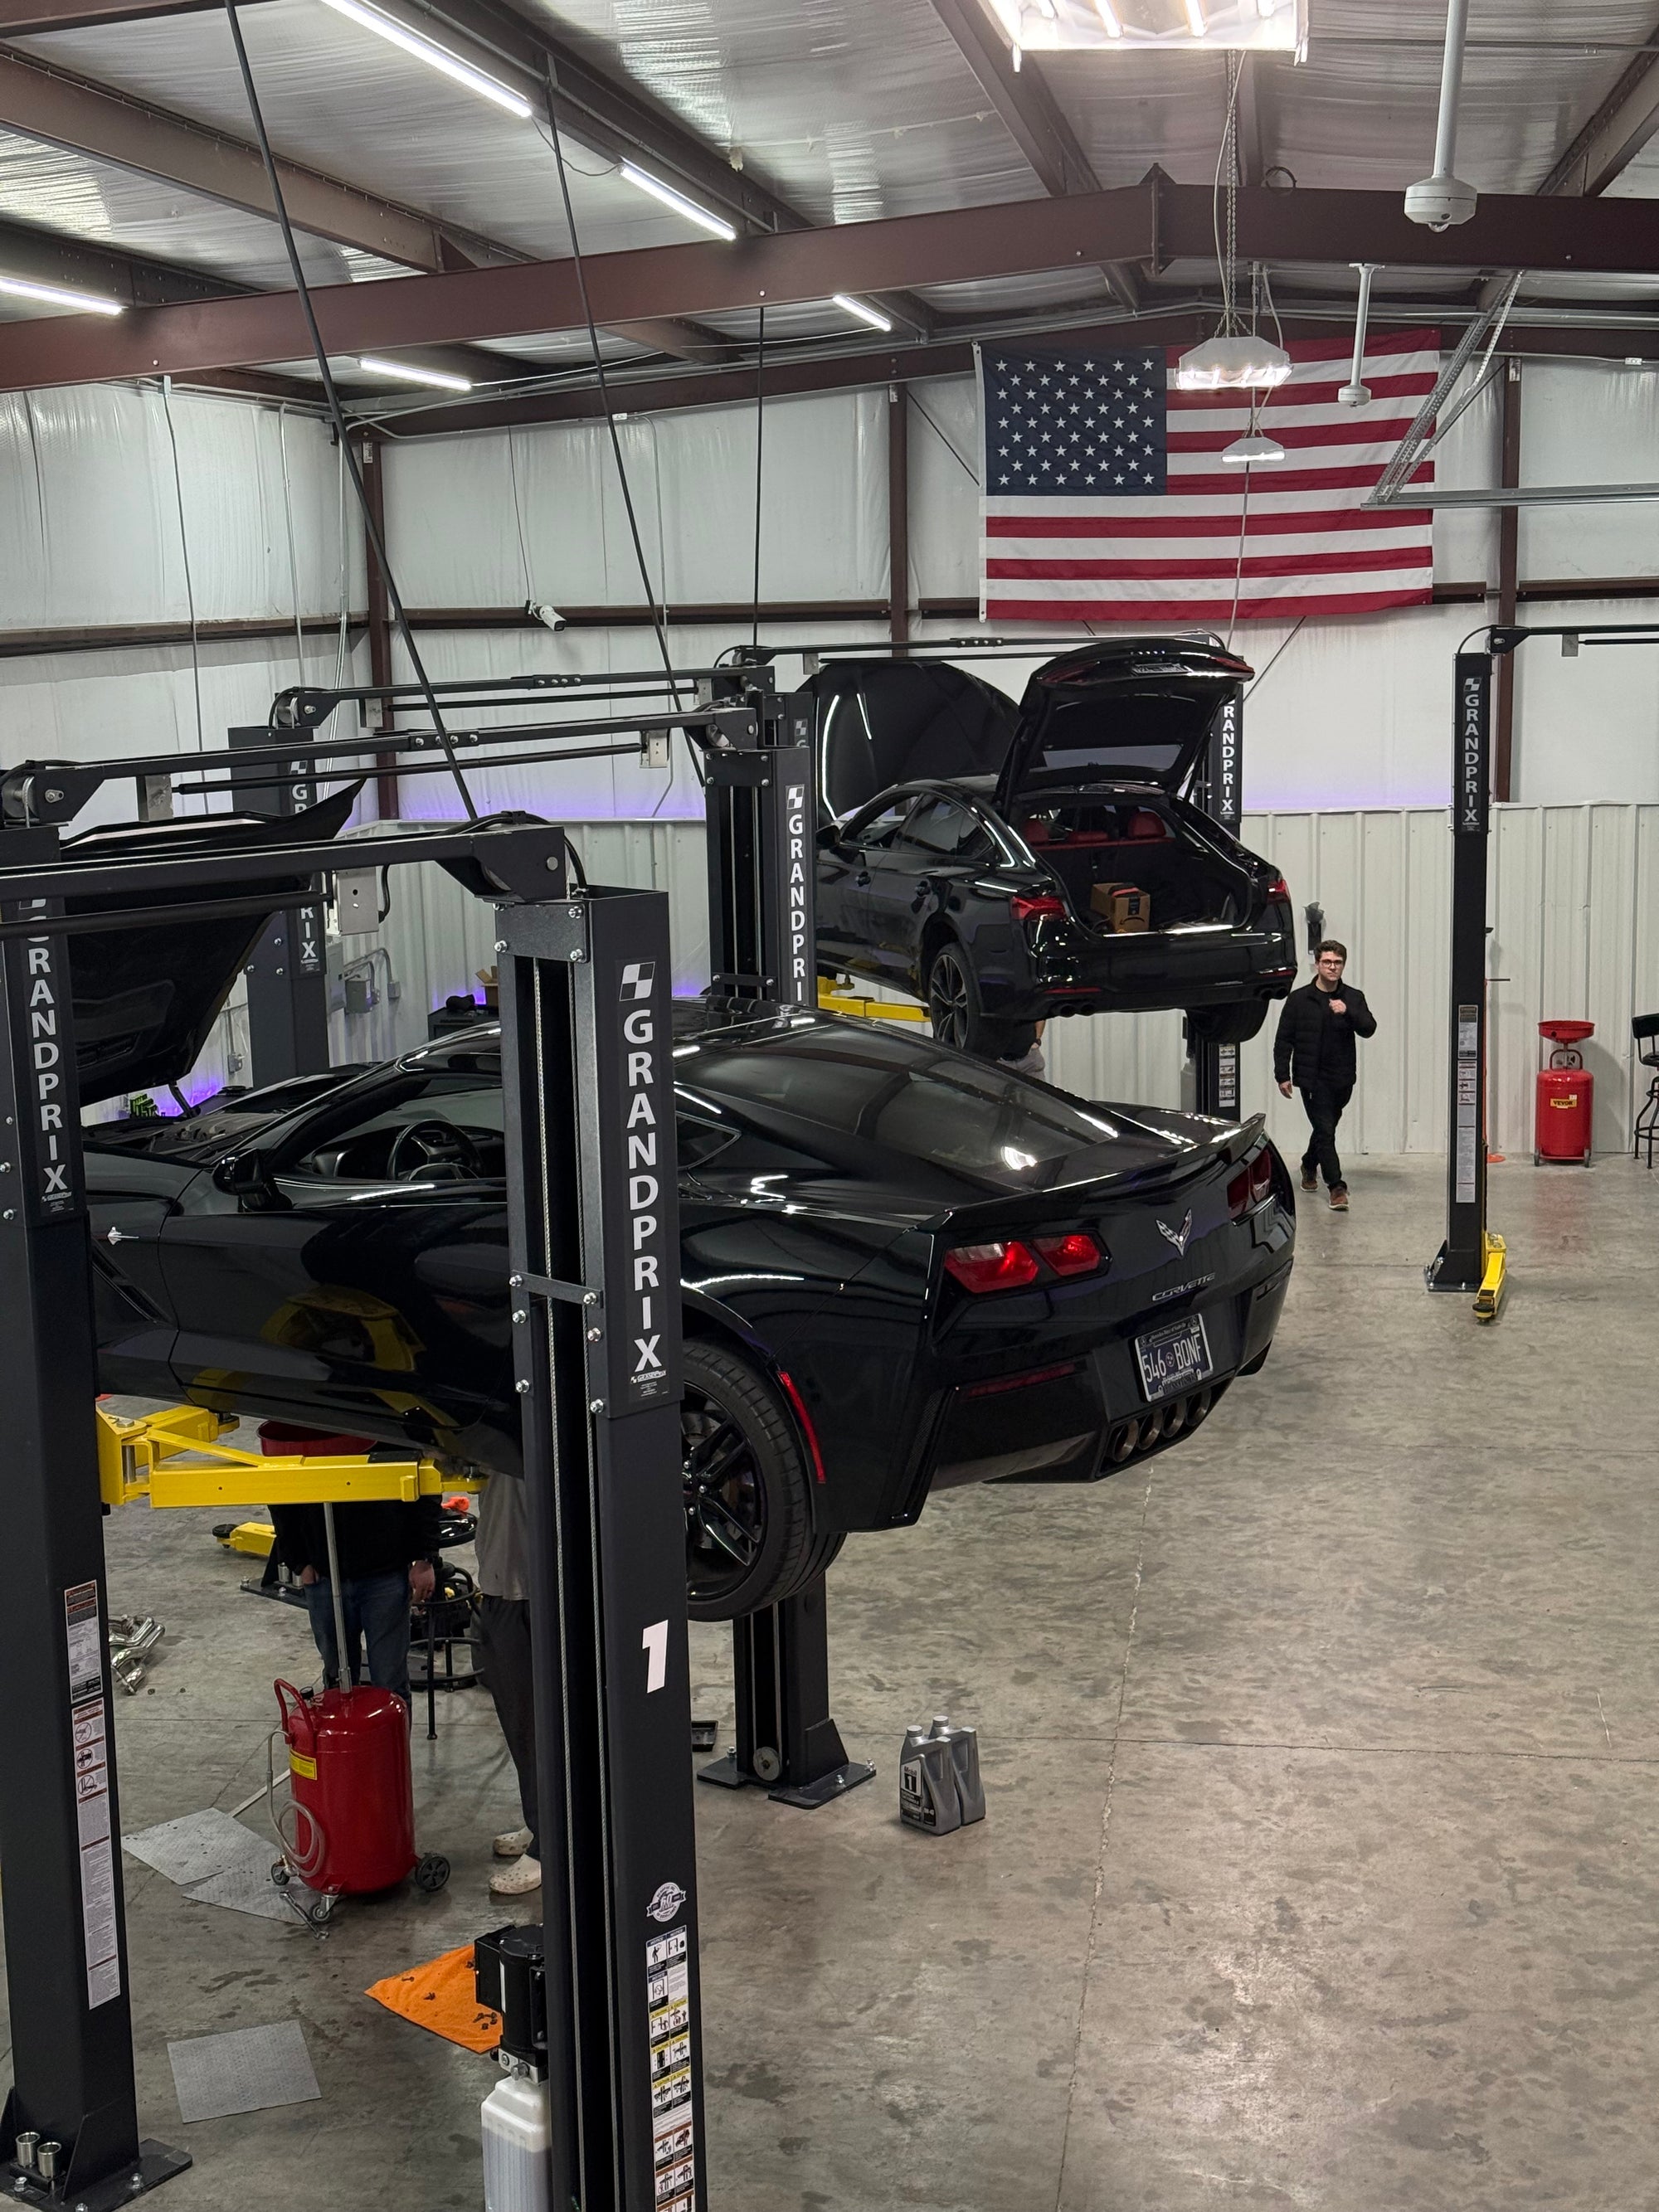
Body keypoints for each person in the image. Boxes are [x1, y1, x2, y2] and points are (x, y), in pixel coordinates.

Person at [269, 1495, 438, 1710]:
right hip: (324, 1574)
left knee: (391, 1688)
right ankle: (343, 1744)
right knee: (338, 1685)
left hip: (386, 1572)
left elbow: (423, 1486)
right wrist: (297, 1560)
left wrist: (425, 1557)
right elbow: (280, 1491)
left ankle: (389, 1744)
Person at [472, 1468, 540, 1898]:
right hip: (498, 1588)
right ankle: (540, 1824)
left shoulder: (537, 1420)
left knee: (537, 1728)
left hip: (531, 1595)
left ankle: (553, 1849)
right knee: (517, 1725)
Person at [1273, 939, 1376, 1211]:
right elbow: (1284, 1039)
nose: (1333, 967)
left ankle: (1309, 1163)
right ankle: (1336, 1186)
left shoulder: (1353, 997)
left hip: (1342, 1079)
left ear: (1344, 965)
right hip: (1311, 1078)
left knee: (1324, 1128)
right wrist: (1282, 1074)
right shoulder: (1299, 1000)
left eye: (1338, 963)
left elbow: (1369, 1028)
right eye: (1327, 962)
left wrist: (1348, 1011)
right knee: (1326, 1130)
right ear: (1318, 964)